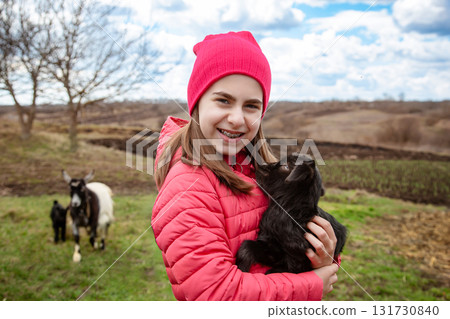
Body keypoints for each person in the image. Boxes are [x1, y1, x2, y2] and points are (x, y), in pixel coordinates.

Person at [151, 31, 339, 301]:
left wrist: (323, 253)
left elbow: (292, 231)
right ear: (196, 105)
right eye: (223, 100)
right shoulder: (188, 186)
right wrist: (310, 285)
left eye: (251, 106)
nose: (237, 119)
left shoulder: (257, 169)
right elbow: (213, 295)